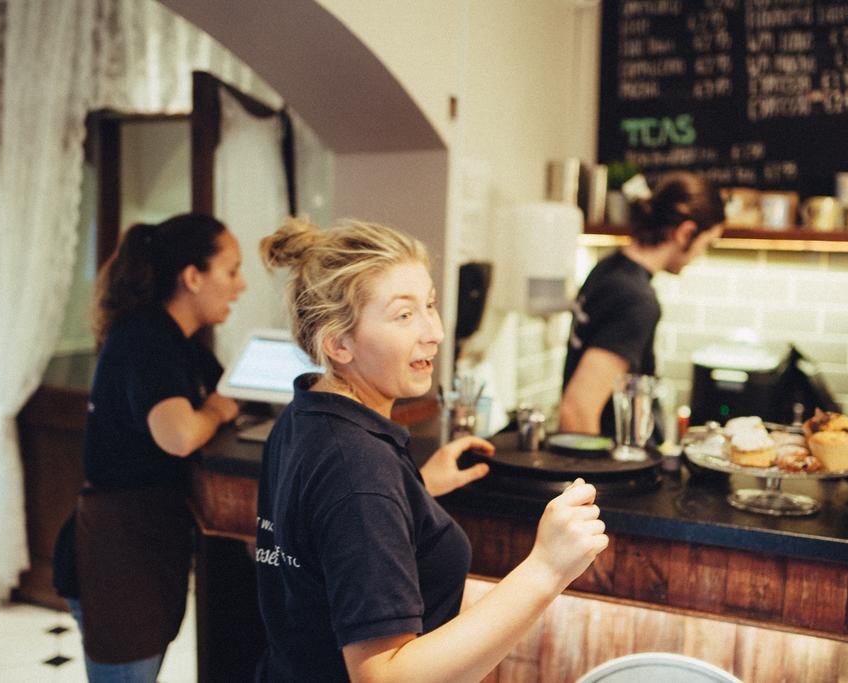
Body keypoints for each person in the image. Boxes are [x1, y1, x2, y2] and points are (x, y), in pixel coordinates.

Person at [255, 217, 608, 682]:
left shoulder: (306, 416)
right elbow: (384, 676)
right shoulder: (361, 472)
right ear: (338, 343)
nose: (434, 332)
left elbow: (326, 545)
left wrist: (413, 490)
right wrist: (546, 568)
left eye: (430, 305)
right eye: (404, 315)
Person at [53, 213, 245, 681]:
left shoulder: (182, 342)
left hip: (147, 542)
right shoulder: (146, 337)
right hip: (117, 552)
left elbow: (231, 393)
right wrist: (216, 412)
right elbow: (178, 434)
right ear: (193, 277)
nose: (240, 287)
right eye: (232, 270)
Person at [559, 171, 724, 437]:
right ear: (686, 233)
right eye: (705, 244)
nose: (699, 256)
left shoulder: (608, 267)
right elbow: (577, 409)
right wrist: (589, 478)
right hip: (613, 464)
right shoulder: (637, 300)